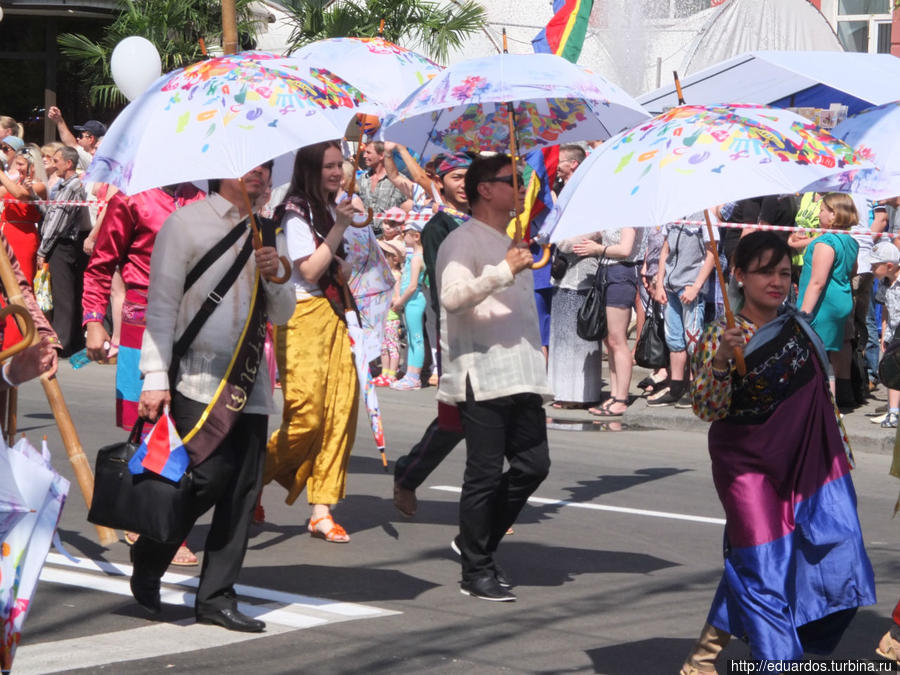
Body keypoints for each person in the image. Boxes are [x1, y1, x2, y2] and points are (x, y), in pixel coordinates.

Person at [680, 232, 875, 671]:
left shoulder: (799, 327)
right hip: (747, 469)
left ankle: (701, 660)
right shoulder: (719, 335)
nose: (776, 281)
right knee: (764, 566)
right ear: (740, 275)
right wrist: (722, 362)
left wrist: (837, 456)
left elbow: (820, 403)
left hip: (808, 465)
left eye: (784, 272)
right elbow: (707, 408)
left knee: (836, 549)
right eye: (765, 271)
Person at [131, 162, 295, 632]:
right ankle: (151, 553)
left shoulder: (268, 230)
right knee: (203, 478)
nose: (259, 175)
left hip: (250, 381)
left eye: (265, 168)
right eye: (248, 166)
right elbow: (160, 304)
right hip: (197, 378)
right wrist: (153, 376)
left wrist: (276, 275)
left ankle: (217, 597)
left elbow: (282, 313)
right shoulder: (186, 223)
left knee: (243, 490)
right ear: (220, 168)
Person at [437, 154, 551, 602]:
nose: (522, 188)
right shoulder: (462, 241)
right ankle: (476, 569)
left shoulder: (513, 239)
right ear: (486, 190)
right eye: (513, 181)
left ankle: (475, 540)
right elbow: (451, 297)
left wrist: (516, 262)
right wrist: (504, 270)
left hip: (521, 371)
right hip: (480, 373)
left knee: (533, 466)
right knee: (483, 474)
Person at [263, 141, 359, 544]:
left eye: (340, 165)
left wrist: (343, 262)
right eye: (329, 167)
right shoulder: (296, 210)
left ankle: (322, 508)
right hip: (301, 316)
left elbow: (342, 265)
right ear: (309, 170)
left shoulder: (330, 205)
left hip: (335, 315)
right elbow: (309, 268)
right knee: (306, 416)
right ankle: (250, 479)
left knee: (341, 412)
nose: (337, 172)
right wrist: (338, 227)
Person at [391, 152, 472, 518]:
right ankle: (408, 473)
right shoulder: (438, 227)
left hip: (499, 331)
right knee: (454, 421)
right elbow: (446, 282)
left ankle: (486, 507)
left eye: (470, 176)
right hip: (458, 328)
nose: (465, 184)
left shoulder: (492, 221)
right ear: (438, 182)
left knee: (498, 419)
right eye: (457, 177)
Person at [650, 215, 719, 407]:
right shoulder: (672, 214)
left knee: (693, 340)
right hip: (670, 287)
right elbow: (665, 250)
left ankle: (699, 388)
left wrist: (696, 286)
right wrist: (660, 284)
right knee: (674, 340)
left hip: (690, 287)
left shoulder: (705, 216)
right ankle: (676, 388)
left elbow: (712, 253)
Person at [574, 227, 643, 416]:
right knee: (609, 340)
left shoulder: (628, 215)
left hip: (621, 273)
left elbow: (625, 250)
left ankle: (621, 398)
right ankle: (614, 395)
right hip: (606, 272)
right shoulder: (613, 214)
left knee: (617, 339)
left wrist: (597, 249)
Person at [797, 193, 859, 399]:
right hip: (840, 300)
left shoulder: (826, 241)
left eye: (823, 210)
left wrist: (803, 314)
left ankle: (825, 405)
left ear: (833, 215)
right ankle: (828, 404)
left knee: (815, 356)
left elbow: (817, 282)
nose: (819, 214)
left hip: (823, 305)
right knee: (825, 356)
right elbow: (852, 270)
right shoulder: (850, 241)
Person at [37, 146, 92, 356]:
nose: (54, 163)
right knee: (70, 292)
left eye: (57, 160)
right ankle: (74, 338)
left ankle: (62, 340)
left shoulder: (71, 187)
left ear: (68, 163)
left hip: (63, 244)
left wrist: (43, 250)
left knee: (63, 294)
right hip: (65, 244)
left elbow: (57, 224)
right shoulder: (66, 185)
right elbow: (52, 214)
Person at [391, 220, 427, 390]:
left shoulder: (417, 258)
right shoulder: (413, 257)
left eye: (406, 233)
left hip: (414, 300)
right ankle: (410, 374)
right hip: (409, 301)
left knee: (416, 338)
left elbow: (413, 285)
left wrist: (400, 300)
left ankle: (414, 376)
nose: (403, 235)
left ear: (416, 236)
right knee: (412, 338)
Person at [870, 242, 900, 428]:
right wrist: (884, 334)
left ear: (889, 265)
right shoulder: (884, 283)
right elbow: (885, 310)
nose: (872, 269)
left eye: (875, 266)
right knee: (892, 370)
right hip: (893, 333)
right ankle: (893, 411)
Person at [357, 141, 411, 235]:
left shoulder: (399, 181)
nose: (364, 156)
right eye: (364, 152)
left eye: (368, 152)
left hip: (389, 238)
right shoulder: (362, 179)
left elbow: (413, 203)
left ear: (381, 155)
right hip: (364, 234)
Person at [46, 107, 105, 171]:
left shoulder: (90, 158)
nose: (77, 138)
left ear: (91, 139)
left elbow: (71, 143)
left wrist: (59, 121)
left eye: (81, 136)